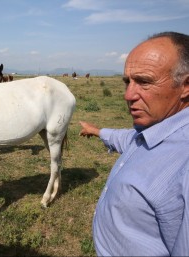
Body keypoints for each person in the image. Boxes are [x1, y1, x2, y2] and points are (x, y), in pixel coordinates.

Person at [79, 31, 189, 256]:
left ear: (186, 86)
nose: (128, 95)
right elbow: (128, 139)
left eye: (144, 82)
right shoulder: (154, 132)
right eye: (127, 82)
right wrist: (98, 131)